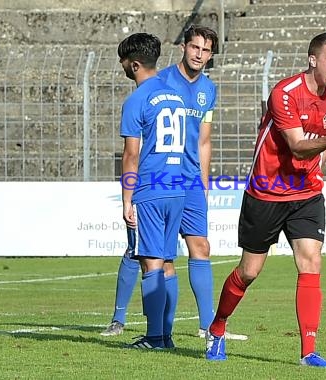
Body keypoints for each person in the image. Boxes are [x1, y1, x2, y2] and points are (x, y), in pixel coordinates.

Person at [205, 32, 326, 368]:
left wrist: (318, 172)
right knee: (250, 271)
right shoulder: (284, 94)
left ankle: (308, 352)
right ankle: (218, 326)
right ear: (313, 60)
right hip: (267, 193)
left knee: (311, 262)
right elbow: (299, 145)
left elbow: (318, 151)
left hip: (307, 194)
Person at [102, 25, 247, 342]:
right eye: (195, 47)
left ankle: (200, 327)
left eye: (206, 50)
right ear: (183, 47)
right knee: (147, 254)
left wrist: (204, 182)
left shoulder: (207, 90)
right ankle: (124, 319)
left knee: (190, 249)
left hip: (183, 180)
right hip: (166, 177)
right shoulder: (164, 82)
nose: (200, 54)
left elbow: (204, 140)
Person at [118, 32, 187, 349]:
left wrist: (127, 198)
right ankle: (166, 335)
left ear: (133, 65)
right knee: (169, 262)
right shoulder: (176, 95)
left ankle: (155, 337)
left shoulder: (137, 99)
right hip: (176, 186)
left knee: (150, 262)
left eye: (122, 62)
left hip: (150, 187)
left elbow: (131, 154)